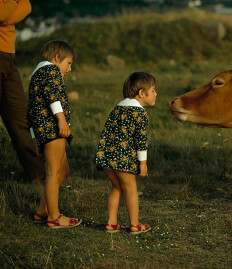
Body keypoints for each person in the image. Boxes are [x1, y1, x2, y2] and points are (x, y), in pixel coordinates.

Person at [26, 40, 81, 228]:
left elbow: (32, 109)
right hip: (53, 129)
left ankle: (42, 211)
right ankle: (54, 217)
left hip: (44, 131)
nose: (70, 69)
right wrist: (62, 120)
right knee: (53, 173)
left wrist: (38, 139)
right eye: (69, 63)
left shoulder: (37, 73)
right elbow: (54, 97)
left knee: (62, 171)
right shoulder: (51, 71)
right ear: (57, 58)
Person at [95, 72, 156, 234]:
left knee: (117, 187)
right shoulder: (139, 113)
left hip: (106, 156)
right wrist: (142, 163)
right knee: (130, 189)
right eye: (153, 90)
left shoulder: (117, 108)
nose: (156, 94)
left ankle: (111, 222)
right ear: (142, 94)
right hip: (123, 159)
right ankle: (134, 224)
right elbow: (141, 141)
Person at [0, 0, 46, 183]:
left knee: (20, 118)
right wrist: (12, 3)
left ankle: (38, 175)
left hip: (8, 56)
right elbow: (3, 14)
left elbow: (26, 6)